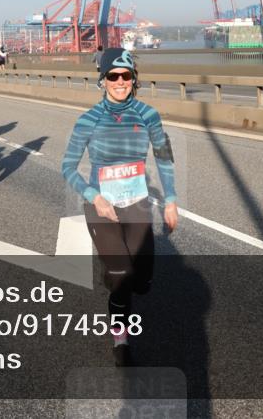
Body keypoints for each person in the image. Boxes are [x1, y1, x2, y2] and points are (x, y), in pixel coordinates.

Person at [61, 48, 178, 366]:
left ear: (134, 79)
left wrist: (171, 201)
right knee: (122, 277)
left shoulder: (148, 115)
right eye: (113, 76)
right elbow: (68, 166)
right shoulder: (88, 120)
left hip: (137, 205)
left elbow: (164, 157)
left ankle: (121, 276)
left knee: (142, 281)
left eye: (126, 76)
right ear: (103, 81)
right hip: (101, 208)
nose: (120, 81)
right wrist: (93, 196)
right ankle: (121, 339)